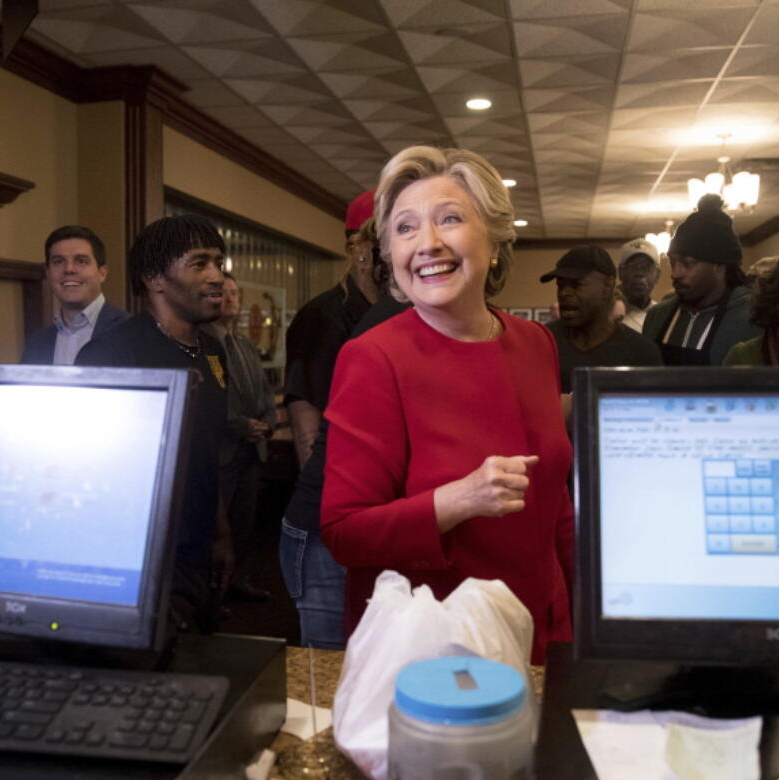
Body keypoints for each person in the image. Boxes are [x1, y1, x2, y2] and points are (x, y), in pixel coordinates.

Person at [321, 146, 573, 665]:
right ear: (390, 253)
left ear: (495, 239)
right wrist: (458, 499)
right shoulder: (373, 359)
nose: (427, 244)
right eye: (406, 228)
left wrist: (582, 610)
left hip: (540, 625)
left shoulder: (536, 343)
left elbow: (554, 501)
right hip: (439, 647)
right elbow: (344, 533)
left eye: (450, 219)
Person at [75, 214, 234, 632]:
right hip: (138, 561)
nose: (217, 276)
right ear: (154, 279)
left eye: (219, 262)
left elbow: (206, 452)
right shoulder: (112, 355)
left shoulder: (214, 351)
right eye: (200, 264)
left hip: (198, 550)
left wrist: (220, 535)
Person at [278, 200, 378, 649]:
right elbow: (306, 425)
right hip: (324, 531)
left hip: (370, 525)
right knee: (332, 669)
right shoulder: (323, 317)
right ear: (360, 248)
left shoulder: (397, 313)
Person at [203, 272, 277, 603]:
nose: (232, 298)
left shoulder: (246, 344)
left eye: (236, 293)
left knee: (245, 523)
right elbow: (208, 402)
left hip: (252, 450)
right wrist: (240, 426)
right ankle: (213, 592)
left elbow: (264, 392)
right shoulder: (201, 344)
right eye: (224, 293)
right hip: (222, 450)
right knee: (217, 529)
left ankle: (239, 581)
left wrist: (267, 423)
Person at [641, 195, 757, 365]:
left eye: (688, 264)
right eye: (673, 262)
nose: (675, 273)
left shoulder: (753, 320)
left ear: (719, 265)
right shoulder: (657, 316)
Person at [541, 245, 661, 392]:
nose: (564, 293)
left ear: (608, 285)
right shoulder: (542, 342)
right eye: (560, 285)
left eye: (576, 284)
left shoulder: (641, 353)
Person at [22, 225, 129, 365]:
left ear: (102, 273)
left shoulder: (132, 334)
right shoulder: (36, 344)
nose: (69, 269)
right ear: (48, 274)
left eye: (81, 261)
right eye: (58, 261)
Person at [618, 238, 661, 332]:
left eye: (647, 267)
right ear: (620, 273)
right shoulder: (608, 314)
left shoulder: (663, 314)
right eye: (632, 266)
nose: (639, 273)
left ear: (657, 275)